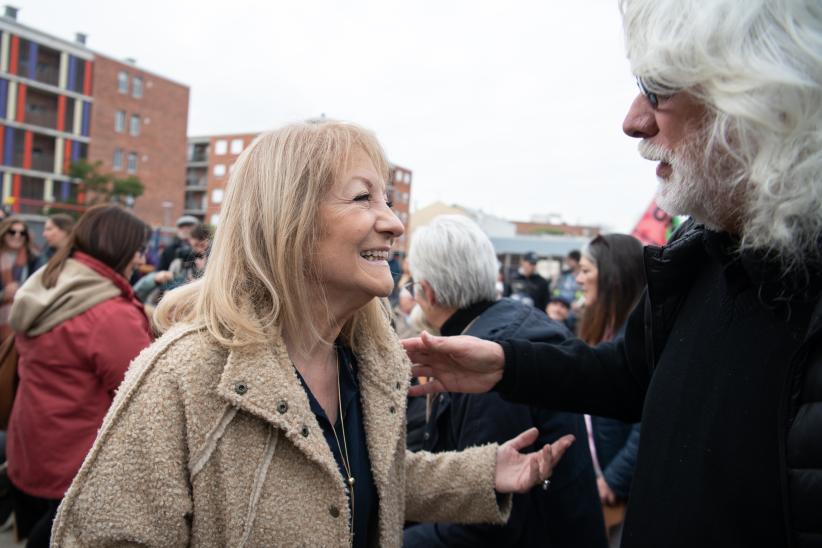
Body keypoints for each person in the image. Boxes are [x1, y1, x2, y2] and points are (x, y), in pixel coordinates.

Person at [404, 1, 822, 546]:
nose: (633, 121)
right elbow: (626, 376)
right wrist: (506, 364)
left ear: (760, 93)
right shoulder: (700, 255)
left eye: (658, 89)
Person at [51, 121, 571, 547]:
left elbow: (358, 479)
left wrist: (483, 473)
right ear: (289, 221)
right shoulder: (185, 374)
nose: (393, 223)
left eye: (387, 201)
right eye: (363, 198)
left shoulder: (372, 362)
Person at [403, 215, 606, 548]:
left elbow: (486, 522)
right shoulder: (510, 324)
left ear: (428, 293)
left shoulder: (483, 365)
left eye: (412, 285)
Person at [6, 204, 152, 547]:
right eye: (138, 249)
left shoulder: (49, 282)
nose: (140, 258)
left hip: (30, 449)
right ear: (121, 249)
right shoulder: (109, 314)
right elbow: (139, 393)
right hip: (76, 466)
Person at [575, 234, 645, 545]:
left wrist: (615, 479)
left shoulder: (638, 338)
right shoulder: (598, 330)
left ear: (613, 275)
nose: (578, 279)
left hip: (623, 493)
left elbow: (650, 418)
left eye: (586, 270)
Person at [0, 218, 39, 340]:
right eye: (12, 232)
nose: (17, 236)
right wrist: (2, 295)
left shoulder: (35, 259)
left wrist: (21, 290)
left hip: (23, 322)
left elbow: (41, 289)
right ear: (4, 233)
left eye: (22, 233)